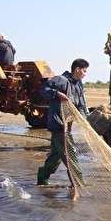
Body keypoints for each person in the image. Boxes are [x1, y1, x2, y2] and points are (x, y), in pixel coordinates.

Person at [37, 59, 89, 200]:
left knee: (56, 156)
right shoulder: (61, 80)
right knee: (70, 155)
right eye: (84, 71)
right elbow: (43, 89)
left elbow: (82, 105)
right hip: (58, 124)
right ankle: (78, 184)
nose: (85, 74)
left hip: (67, 125)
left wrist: (86, 120)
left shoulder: (78, 84)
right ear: (77, 69)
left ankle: (42, 178)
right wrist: (56, 94)